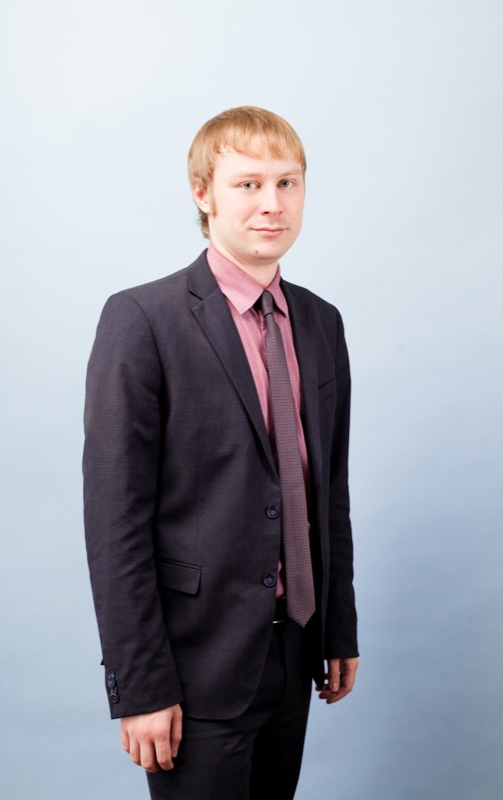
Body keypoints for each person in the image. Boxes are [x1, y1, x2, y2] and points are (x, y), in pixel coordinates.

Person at [83, 106, 358, 800]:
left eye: (287, 183)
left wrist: (338, 628)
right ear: (203, 193)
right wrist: (141, 684)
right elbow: (115, 522)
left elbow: (327, 490)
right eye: (248, 184)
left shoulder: (321, 323)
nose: (272, 204)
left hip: (295, 651)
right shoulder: (142, 320)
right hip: (193, 666)